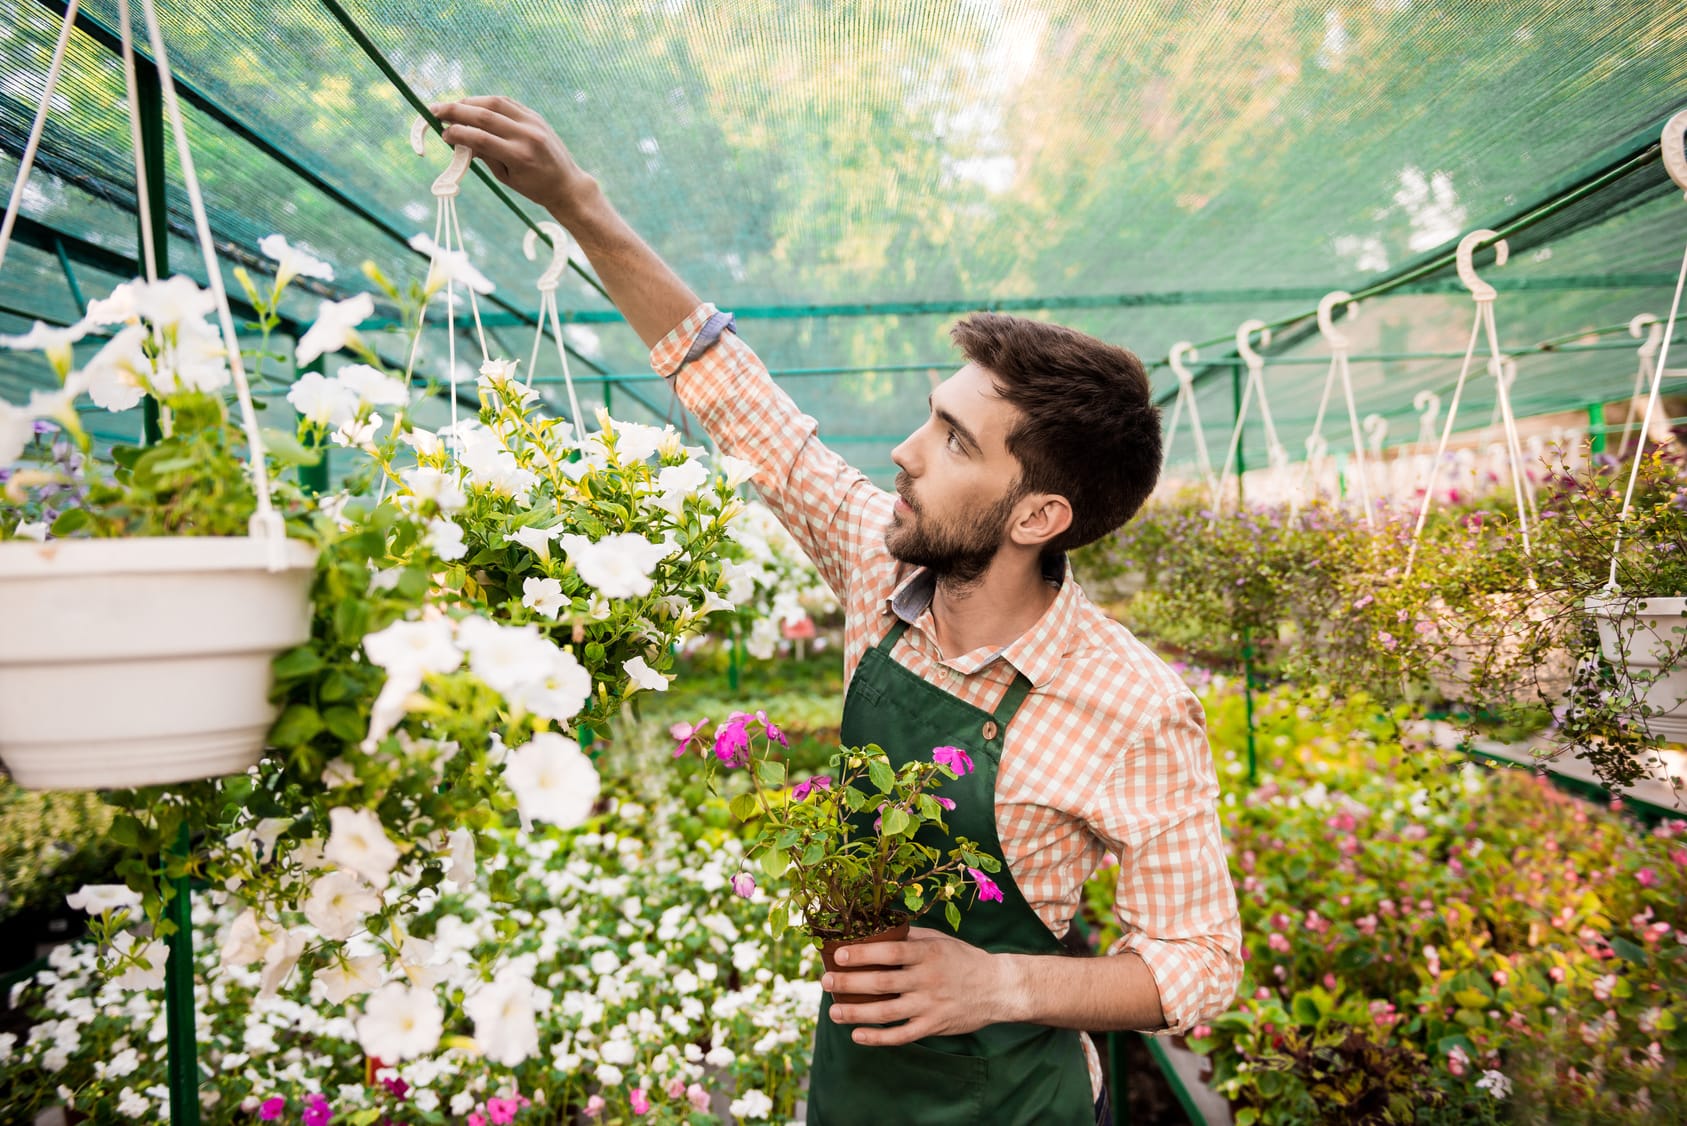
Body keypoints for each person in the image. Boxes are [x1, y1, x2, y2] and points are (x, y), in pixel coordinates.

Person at [433, 95, 1243, 1126]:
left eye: (953, 440)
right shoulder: (879, 570)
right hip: (855, 1084)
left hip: (1012, 1101)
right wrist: (579, 204)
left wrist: (1001, 986)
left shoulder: (1130, 704)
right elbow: (748, 409)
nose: (904, 451)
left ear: (1038, 512)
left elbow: (1200, 964)